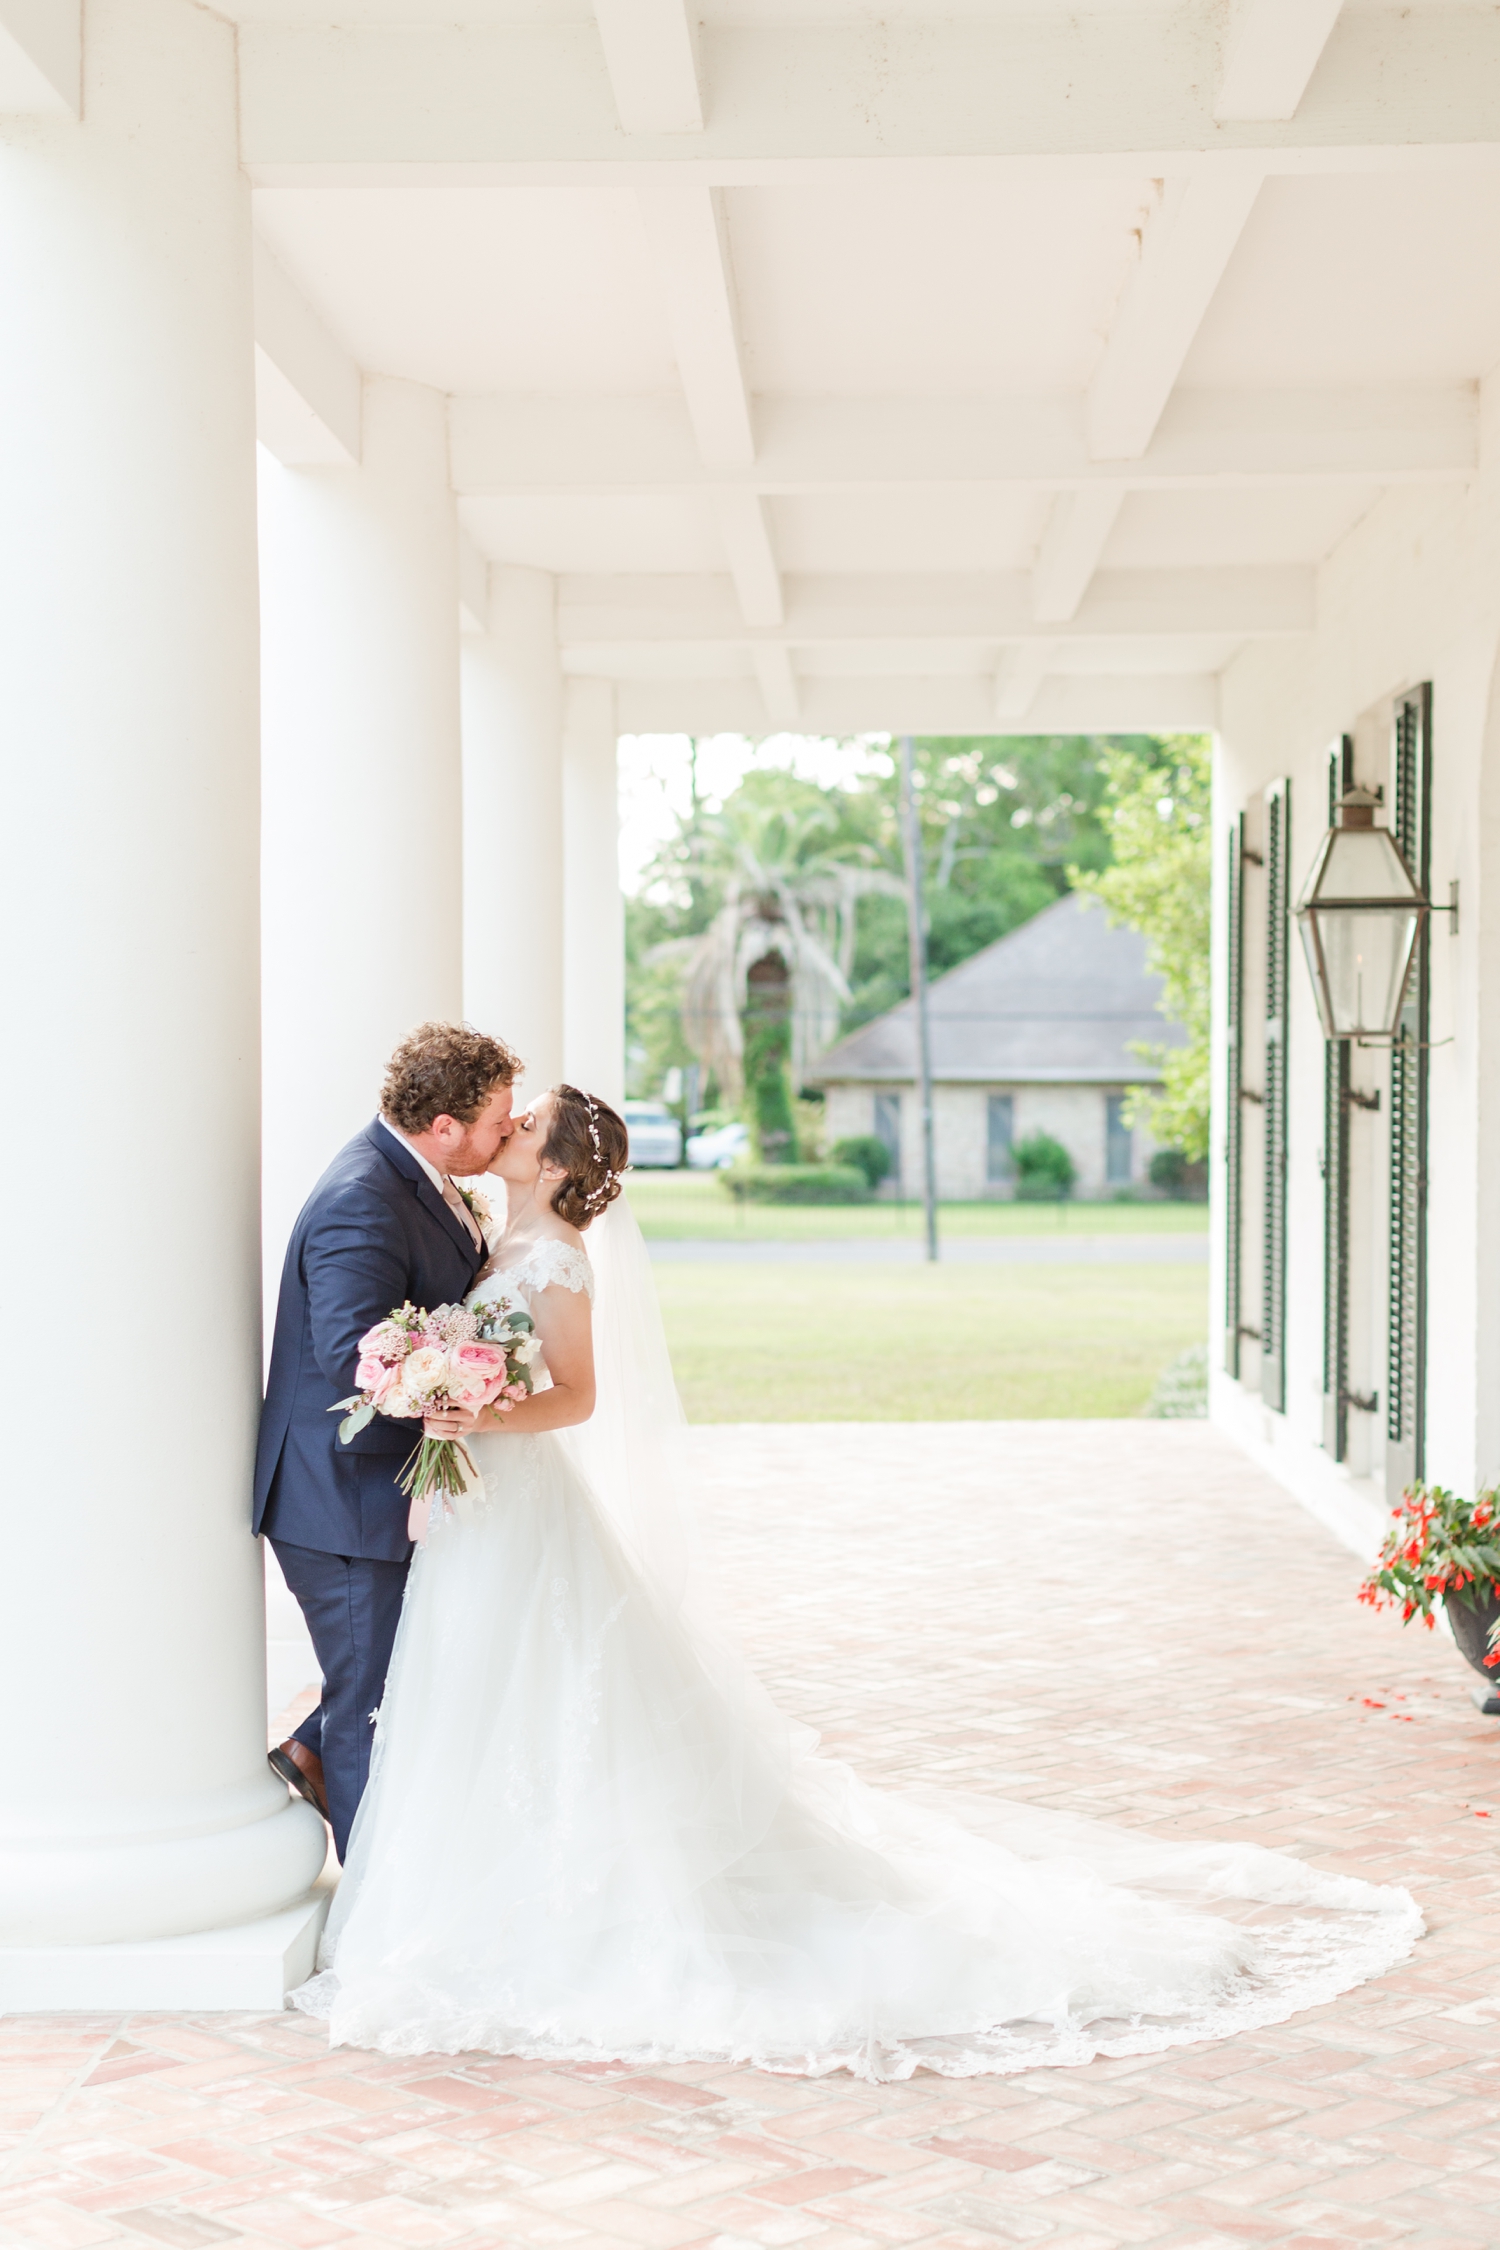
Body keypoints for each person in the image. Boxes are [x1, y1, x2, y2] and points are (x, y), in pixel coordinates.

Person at [293, 1083, 1421, 2080]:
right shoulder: (497, 1231)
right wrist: (457, 1392)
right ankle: (484, 1891)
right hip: (486, 1517)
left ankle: (550, 1909)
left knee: (540, 1698)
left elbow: (575, 1398)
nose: (513, 1124)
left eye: (527, 1123)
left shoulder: (556, 1260)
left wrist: (474, 1406)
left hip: (523, 1507)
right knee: (484, 1705)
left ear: (559, 1166)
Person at [254, 1021, 519, 1859]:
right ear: (444, 1125)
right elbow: (351, 1355)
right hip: (345, 1500)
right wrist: (466, 1393)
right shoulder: (362, 1198)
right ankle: (367, 1922)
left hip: (387, 1492)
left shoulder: (425, 1178)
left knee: (398, 1682)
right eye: (497, 1120)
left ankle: (308, 1748)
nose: (507, 1132)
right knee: (374, 1703)